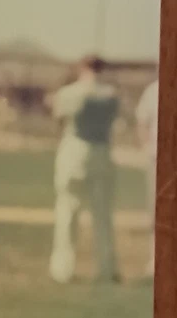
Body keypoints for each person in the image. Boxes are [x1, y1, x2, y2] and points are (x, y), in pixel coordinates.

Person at [47, 54, 121, 283]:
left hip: (74, 150)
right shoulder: (111, 95)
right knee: (102, 215)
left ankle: (63, 270)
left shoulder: (69, 92)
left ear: (82, 68)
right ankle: (106, 269)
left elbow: (57, 119)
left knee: (68, 211)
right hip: (100, 152)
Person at [135, 75, 159, 278]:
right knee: (156, 209)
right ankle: (155, 258)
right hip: (157, 158)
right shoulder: (154, 90)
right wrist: (146, 148)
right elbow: (142, 121)